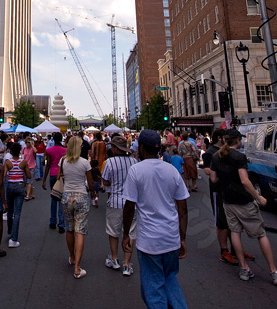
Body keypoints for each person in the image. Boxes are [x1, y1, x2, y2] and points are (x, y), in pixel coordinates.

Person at [209, 129, 277, 286]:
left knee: (235, 232)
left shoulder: (216, 156)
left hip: (227, 200)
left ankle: (244, 268)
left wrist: (225, 181)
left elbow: (213, 178)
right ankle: (274, 271)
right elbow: (245, 181)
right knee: (260, 234)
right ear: (237, 140)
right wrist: (258, 197)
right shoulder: (239, 157)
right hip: (243, 200)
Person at [122, 130, 189, 309]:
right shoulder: (172, 171)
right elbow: (182, 208)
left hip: (149, 241)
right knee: (169, 279)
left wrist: (126, 233)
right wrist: (182, 237)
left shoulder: (136, 171)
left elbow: (129, 206)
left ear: (141, 147)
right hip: (171, 238)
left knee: (153, 289)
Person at [202, 128, 245, 266]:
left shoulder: (232, 153)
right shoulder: (210, 153)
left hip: (232, 190)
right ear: (220, 138)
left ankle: (236, 250)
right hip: (218, 190)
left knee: (234, 222)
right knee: (222, 222)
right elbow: (208, 170)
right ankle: (224, 250)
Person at [61, 135, 98, 279]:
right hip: (81, 195)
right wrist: (94, 193)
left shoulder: (63, 161)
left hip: (66, 196)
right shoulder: (84, 163)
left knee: (69, 229)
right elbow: (90, 181)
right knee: (80, 231)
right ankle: (77, 267)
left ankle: (71, 256)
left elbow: (60, 176)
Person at [103, 135, 138, 276]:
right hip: (132, 202)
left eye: (113, 146)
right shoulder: (134, 162)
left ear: (117, 149)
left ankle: (114, 258)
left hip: (115, 200)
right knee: (130, 232)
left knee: (113, 231)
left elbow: (105, 181)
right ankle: (127, 264)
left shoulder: (110, 162)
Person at [4, 141, 32, 248]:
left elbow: (4, 175)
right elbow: (29, 176)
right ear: (19, 151)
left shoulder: (8, 162)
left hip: (10, 185)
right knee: (17, 213)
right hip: (20, 186)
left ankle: (10, 230)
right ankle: (14, 238)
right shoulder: (23, 162)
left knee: (10, 211)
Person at [42, 131, 68, 233]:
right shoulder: (65, 151)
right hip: (62, 174)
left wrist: (44, 180)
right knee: (62, 199)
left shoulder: (49, 150)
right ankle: (61, 224)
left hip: (53, 174)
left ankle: (53, 221)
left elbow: (48, 165)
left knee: (53, 198)